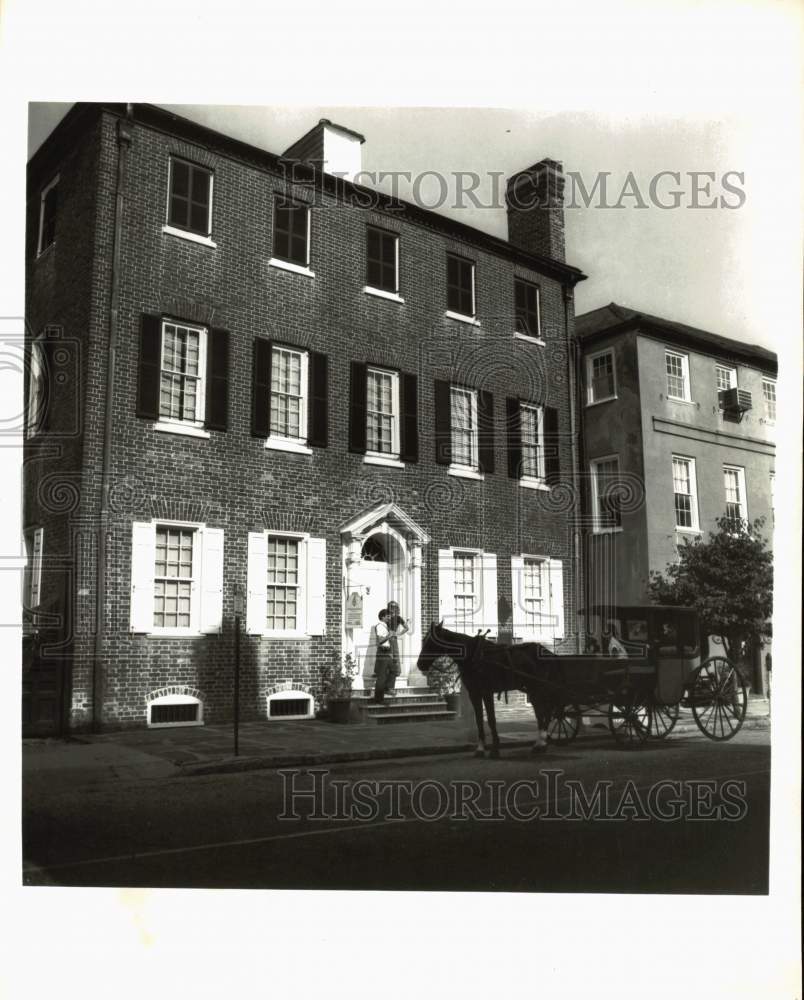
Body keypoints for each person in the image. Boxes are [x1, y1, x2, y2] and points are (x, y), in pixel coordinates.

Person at [385, 601, 409, 694]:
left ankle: (390, 687)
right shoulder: (386, 617)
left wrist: (398, 633)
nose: (392, 609)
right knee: (386, 660)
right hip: (385, 639)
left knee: (394, 660)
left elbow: (406, 628)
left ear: (396, 608)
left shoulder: (398, 618)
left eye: (394, 607)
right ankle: (386, 686)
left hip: (393, 640)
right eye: (391, 607)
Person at [372, 609, 393, 704]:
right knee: (381, 676)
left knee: (394, 670)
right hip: (383, 652)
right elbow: (379, 641)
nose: (389, 618)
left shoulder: (385, 627)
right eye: (388, 616)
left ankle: (387, 688)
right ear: (382, 617)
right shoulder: (380, 626)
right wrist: (389, 636)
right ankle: (379, 699)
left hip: (387, 652)